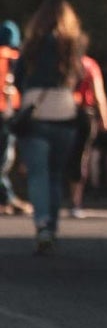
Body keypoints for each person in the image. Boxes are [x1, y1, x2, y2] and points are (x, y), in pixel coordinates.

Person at [13, 0, 86, 254]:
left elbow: (19, 77)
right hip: (65, 113)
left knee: (38, 174)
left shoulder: (32, 45)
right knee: (55, 175)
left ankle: (42, 224)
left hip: (36, 113)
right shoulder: (74, 45)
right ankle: (53, 228)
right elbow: (80, 77)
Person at [66, 50, 107, 217]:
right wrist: (105, 118)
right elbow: (98, 93)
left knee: (63, 155)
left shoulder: (62, 63)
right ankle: (76, 201)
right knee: (81, 157)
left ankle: (59, 198)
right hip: (85, 114)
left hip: (63, 113)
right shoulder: (90, 65)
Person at [0, 19, 30, 216]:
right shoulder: (15, 58)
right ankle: (7, 198)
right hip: (7, 113)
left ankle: (7, 198)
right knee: (4, 159)